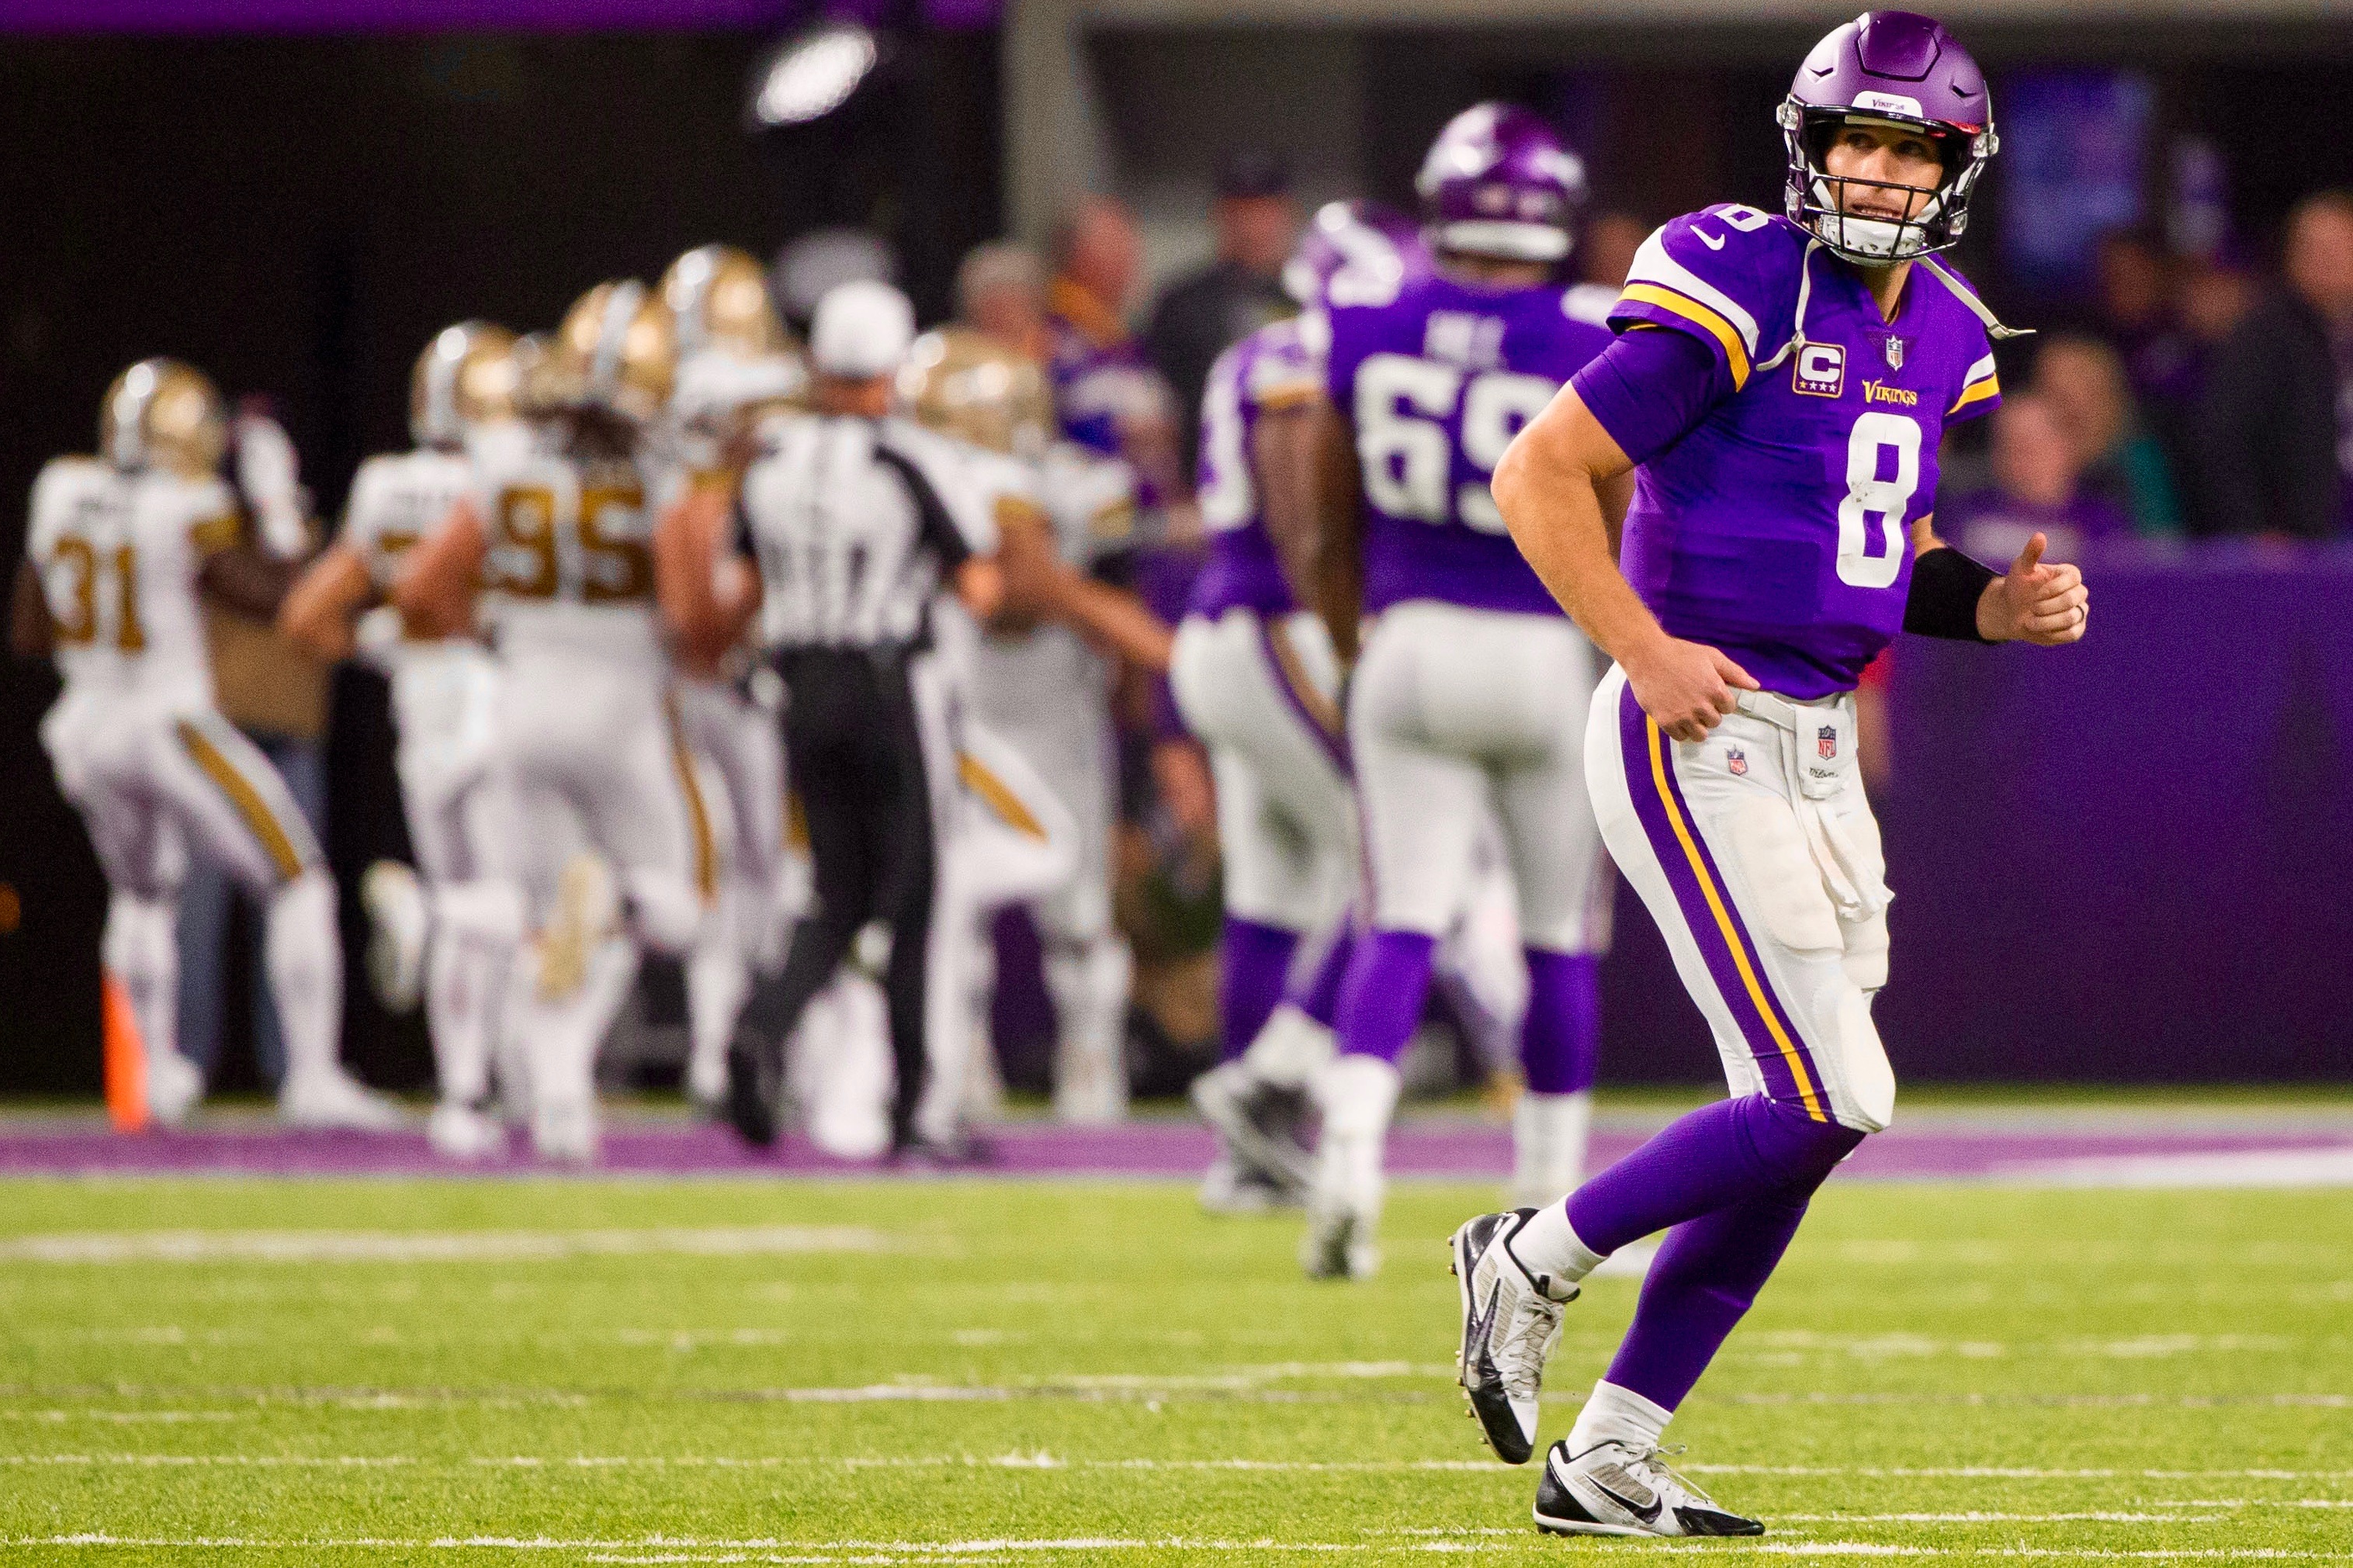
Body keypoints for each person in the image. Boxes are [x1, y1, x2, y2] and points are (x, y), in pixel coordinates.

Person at [1459, 12, 2087, 1536]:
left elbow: (1895, 552)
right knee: (1831, 1090)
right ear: (1810, 147)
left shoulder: (1942, 326)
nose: (1875, 167)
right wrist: (1643, 643)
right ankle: (1529, 1251)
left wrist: (1990, 604)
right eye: (1856, 137)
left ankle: (1606, 1452)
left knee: (1798, 1116)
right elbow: (1540, 472)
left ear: (1954, 168)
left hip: (1810, 742)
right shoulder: (1741, 274)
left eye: (1908, 144)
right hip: (1699, 722)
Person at [1294, 104, 1619, 1280]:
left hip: (1411, 636)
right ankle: (1546, 1203)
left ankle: (1349, 1164)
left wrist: (1352, 645)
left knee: (1401, 921)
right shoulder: (1590, 328)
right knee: (1556, 939)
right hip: (1540, 645)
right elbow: (1621, 507)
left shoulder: (1366, 317)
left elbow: (1325, 519)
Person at [10, 359, 400, 1130]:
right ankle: (313, 1077)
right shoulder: (187, 502)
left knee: (142, 897)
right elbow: (271, 596)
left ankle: (151, 1078)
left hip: (84, 726)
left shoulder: (59, 489)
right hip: (166, 721)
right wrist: (279, 512)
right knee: (301, 880)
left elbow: (28, 629)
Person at [394, 280, 713, 1164]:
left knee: (546, 927)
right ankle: (609, 908)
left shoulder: (507, 458)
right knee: (677, 910)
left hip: (523, 705)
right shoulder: (667, 475)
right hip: (621, 712)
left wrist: (495, 632)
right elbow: (688, 622)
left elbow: (421, 589)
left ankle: (564, 1101)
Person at [700, 280, 1006, 1161]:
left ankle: (761, 1026)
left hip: (799, 689)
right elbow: (978, 586)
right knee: (913, 901)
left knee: (836, 891)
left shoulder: (768, 461)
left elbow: (742, 593)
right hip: (886, 691)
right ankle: (915, 1111)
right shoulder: (909, 460)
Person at [1176, 201, 1426, 1213]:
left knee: (1273, 893)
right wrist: (1340, 630)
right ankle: (1269, 1078)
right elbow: (1295, 505)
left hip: (1241, 634)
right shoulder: (1309, 354)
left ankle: (1249, 1154)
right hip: (1275, 625)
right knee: (1399, 860)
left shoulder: (1275, 346)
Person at [280, 322, 532, 1158]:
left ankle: (465, 1099)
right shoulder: (508, 472)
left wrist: (380, 642)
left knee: (475, 905)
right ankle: (430, 927)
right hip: (493, 695)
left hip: (417, 711)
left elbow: (308, 616)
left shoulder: (386, 482)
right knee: (517, 902)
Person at [646, 243, 809, 1115]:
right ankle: (744, 1050)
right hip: (723, 678)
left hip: (701, 681)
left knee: (735, 873)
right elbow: (695, 615)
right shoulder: (703, 491)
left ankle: (731, 1050)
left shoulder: (677, 450)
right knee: (753, 871)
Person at [2195, 191, 2353, 539]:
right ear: (2292, 258)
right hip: (2301, 539)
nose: (2326, 261)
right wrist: (2252, 529)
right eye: (2313, 249)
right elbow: (2225, 440)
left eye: (2337, 248)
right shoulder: (2261, 336)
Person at [1145, 148, 1303, 479]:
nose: (1254, 227)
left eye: (1265, 212)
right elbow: (1161, 414)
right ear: (1220, 217)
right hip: (1214, 478)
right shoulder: (1183, 305)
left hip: (1302, 476)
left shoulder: (1315, 297)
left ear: (1288, 215)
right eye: (1241, 213)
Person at [1940, 391, 2133, 561]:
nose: (2020, 456)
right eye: (2008, 445)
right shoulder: (1965, 514)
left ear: (2065, 446)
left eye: (2033, 445)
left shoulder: (2101, 523)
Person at [2030, 334, 2179, 535]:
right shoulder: (2024, 460)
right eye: (2050, 387)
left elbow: (2161, 546)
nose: (2064, 401)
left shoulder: (2138, 464)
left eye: (2076, 382)